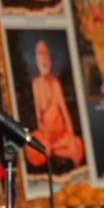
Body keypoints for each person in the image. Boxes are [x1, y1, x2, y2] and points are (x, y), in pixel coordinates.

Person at [25, 38, 85, 171]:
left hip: (61, 134)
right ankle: (54, 150)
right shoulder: (36, 84)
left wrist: (70, 136)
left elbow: (65, 113)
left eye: (46, 53)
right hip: (47, 135)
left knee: (77, 144)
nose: (44, 58)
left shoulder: (55, 83)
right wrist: (45, 133)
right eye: (40, 53)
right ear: (36, 59)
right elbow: (38, 118)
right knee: (37, 147)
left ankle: (58, 150)